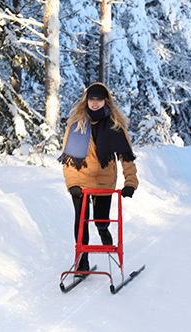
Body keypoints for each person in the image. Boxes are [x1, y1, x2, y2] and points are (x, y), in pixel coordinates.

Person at [58, 82, 139, 274]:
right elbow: (68, 159)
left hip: (104, 181)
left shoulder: (115, 125)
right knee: (81, 222)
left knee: (101, 221)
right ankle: (82, 260)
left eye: (99, 100)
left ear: (106, 101)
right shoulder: (76, 124)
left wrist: (130, 183)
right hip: (81, 182)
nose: (95, 103)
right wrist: (72, 184)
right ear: (86, 101)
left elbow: (126, 156)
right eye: (92, 99)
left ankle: (107, 240)